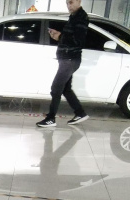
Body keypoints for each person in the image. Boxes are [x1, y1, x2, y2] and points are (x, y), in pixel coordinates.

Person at [36, 0, 90, 128]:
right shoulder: (74, 17)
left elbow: (78, 41)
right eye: (67, 3)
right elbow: (70, 38)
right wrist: (58, 36)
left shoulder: (81, 18)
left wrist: (60, 37)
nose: (68, 6)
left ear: (79, 1)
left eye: (71, 2)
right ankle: (80, 113)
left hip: (70, 59)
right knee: (65, 89)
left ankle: (51, 118)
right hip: (67, 59)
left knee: (56, 88)